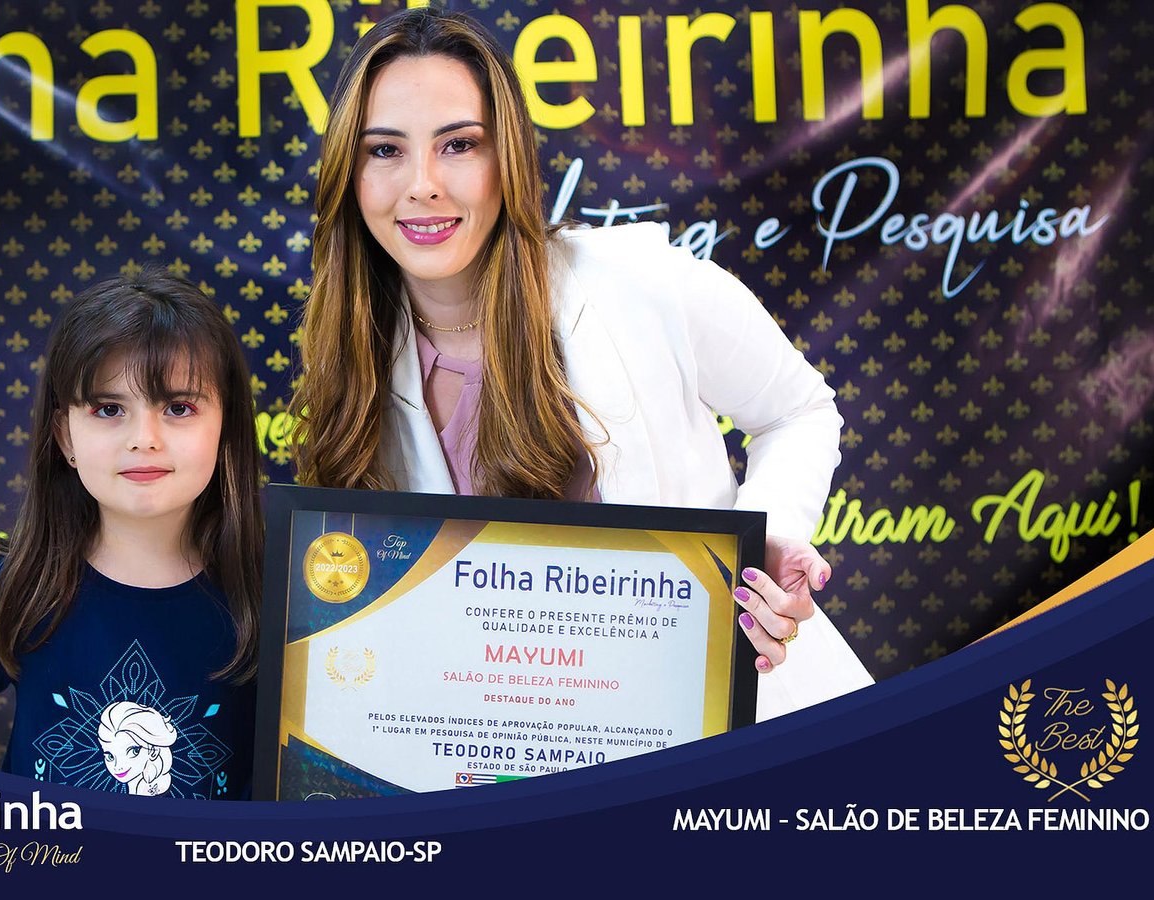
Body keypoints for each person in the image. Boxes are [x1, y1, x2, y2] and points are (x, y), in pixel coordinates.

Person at [291, 7, 872, 719]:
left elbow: (798, 411)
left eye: (459, 144)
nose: (422, 184)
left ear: (508, 157)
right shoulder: (356, 356)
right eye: (385, 150)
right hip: (516, 746)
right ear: (348, 173)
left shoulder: (640, 279)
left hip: (725, 720)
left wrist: (762, 544)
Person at [0, 271, 260, 797]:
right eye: (109, 409)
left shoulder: (277, 595)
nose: (144, 439)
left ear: (226, 429)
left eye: (178, 408)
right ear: (65, 438)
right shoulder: (13, 586)